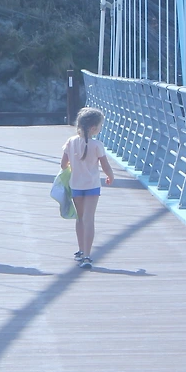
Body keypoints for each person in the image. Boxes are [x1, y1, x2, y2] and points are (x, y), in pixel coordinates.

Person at [60, 107, 114, 270]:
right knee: (89, 219)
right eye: (100, 126)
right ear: (93, 128)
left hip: (76, 185)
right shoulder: (97, 145)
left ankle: (81, 249)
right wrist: (110, 176)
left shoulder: (71, 142)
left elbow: (63, 164)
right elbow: (105, 165)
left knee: (80, 217)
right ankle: (88, 256)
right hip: (92, 186)